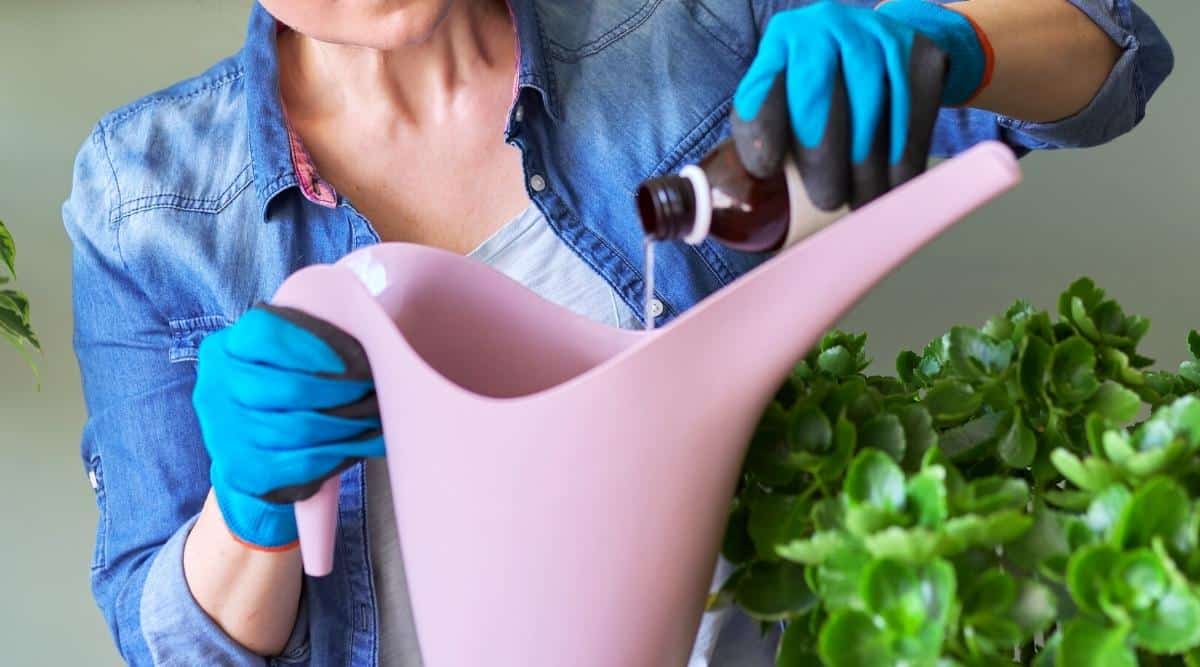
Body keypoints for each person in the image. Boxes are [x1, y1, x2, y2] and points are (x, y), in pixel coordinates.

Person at [65, 0, 1172, 664]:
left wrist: (946, 37)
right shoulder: (144, 197)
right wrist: (246, 511)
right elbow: (169, 639)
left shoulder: (683, 28)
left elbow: (1109, 54)